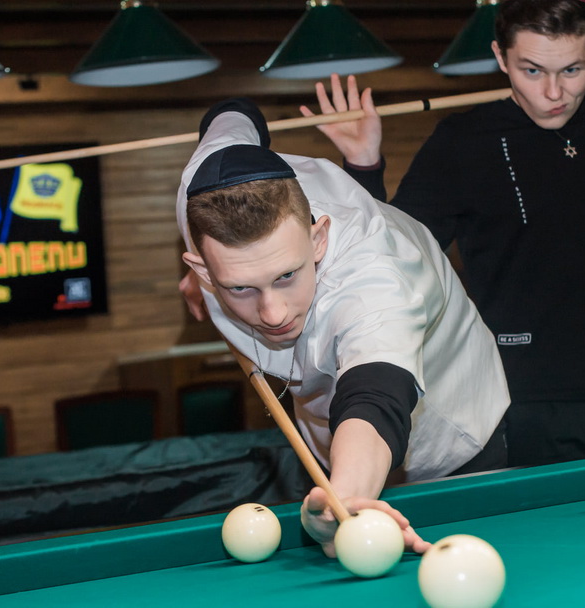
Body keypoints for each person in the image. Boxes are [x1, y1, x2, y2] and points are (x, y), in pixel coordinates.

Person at [299, 0, 585, 467]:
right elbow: (395, 257)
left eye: (572, 70)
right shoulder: (463, 140)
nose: (554, 92)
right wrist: (364, 167)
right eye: (532, 70)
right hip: (522, 407)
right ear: (501, 57)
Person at [176, 98, 509, 558]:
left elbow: (376, 396)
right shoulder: (203, 186)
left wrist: (346, 497)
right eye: (242, 287)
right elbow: (233, 114)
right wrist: (208, 284)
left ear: (319, 239)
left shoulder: (375, 280)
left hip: (450, 437)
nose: (273, 313)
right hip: (332, 444)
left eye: (286, 276)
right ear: (202, 265)